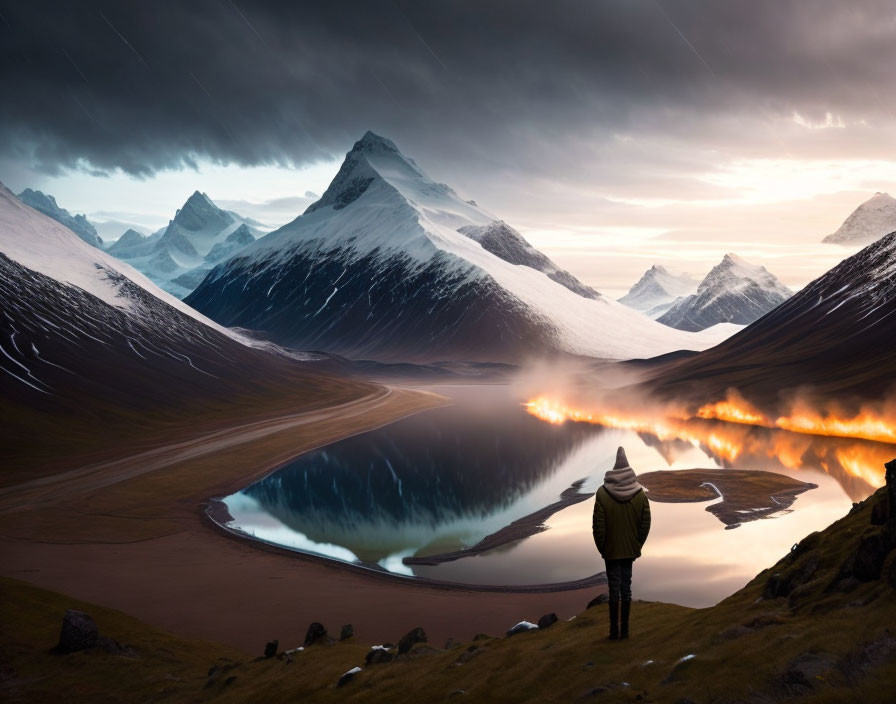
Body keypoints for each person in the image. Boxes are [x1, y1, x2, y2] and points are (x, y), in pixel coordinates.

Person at [592, 446, 651, 640]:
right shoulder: (641, 495)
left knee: (613, 591)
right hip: (629, 551)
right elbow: (645, 524)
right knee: (626, 590)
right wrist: (636, 545)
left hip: (611, 552)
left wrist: (604, 548)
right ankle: (625, 631)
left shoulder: (602, 493)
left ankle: (613, 632)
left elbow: (598, 528)